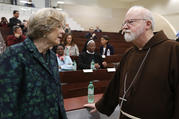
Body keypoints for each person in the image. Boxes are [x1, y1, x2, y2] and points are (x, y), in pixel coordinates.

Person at [84, 6, 179, 119]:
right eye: (124, 23)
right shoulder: (129, 53)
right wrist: (101, 105)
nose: (124, 27)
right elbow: (116, 84)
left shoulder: (173, 50)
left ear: (148, 24)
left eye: (130, 22)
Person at [0, 8, 67, 119]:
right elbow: (6, 105)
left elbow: (58, 97)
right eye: (59, 26)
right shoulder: (14, 54)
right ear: (44, 28)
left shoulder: (52, 57)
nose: (63, 31)